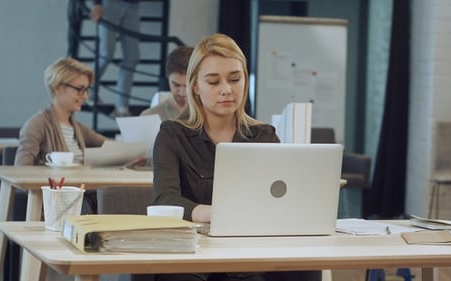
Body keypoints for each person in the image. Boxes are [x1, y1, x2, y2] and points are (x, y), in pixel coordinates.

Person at [151, 33, 321, 281]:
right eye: (213, 82)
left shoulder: (264, 135)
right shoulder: (172, 135)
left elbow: (284, 198)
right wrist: (216, 213)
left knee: (306, 270)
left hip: (253, 250)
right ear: (195, 86)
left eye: (235, 79)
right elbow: (165, 199)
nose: (227, 90)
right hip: (194, 256)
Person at [15, 57, 106, 214]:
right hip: (59, 199)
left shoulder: (77, 127)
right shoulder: (37, 124)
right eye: (80, 89)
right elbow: (21, 171)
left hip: (81, 192)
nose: (85, 96)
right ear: (58, 87)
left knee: (112, 199)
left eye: (87, 90)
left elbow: (107, 145)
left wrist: (134, 153)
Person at [90, 0, 141, 117]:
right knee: (106, 53)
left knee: (132, 58)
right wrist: (97, 3)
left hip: (133, 6)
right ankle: (87, 87)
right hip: (110, 3)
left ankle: (122, 106)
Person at [140, 46, 193, 121]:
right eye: (176, 85)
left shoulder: (211, 115)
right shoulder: (148, 117)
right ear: (168, 78)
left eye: (187, 86)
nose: (182, 92)